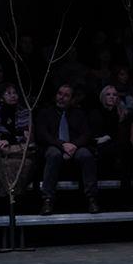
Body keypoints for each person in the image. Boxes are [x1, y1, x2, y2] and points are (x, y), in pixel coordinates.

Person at [36, 84, 99, 215]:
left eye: (66, 95)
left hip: (74, 147)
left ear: (71, 99)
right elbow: (43, 133)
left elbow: (86, 133)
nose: (61, 97)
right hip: (55, 146)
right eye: (60, 94)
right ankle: (47, 199)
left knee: (86, 155)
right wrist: (62, 145)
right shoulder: (46, 112)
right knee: (54, 154)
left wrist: (74, 145)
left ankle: (92, 199)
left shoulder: (79, 113)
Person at [0, 84, 34, 197]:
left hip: (21, 151)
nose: (13, 96)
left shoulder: (25, 112)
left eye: (15, 93)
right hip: (3, 152)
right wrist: (13, 136)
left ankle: (18, 197)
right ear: (1, 97)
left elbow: (26, 134)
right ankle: (7, 197)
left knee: (26, 164)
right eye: (8, 93)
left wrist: (9, 139)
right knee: (3, 164)